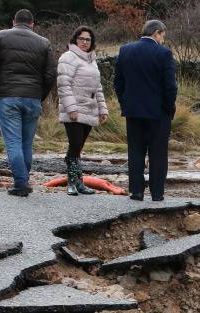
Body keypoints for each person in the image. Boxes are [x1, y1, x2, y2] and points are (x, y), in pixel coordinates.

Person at [0, 9, 57, 197]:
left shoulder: (0, 36)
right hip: (32, 99)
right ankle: (23, 179)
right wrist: (40, 95)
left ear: (13, 21)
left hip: (7, 97)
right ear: (32, 24)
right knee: (26, 142)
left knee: (13, 142)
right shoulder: (44, 42)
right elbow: (50, 74)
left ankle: (21, 183)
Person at [114, 19, 177, 202]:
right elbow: (170, 86)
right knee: (158, 153)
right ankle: (157, 193)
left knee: (135, 151)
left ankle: (136, 191)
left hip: (133, 111)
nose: (163, 40)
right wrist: (169, 107)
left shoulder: (125, 50)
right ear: (156, 32)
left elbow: (118, 82)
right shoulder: (163, 53)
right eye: (163, 36)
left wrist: (125, 102)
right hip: (158, 112)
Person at [57, 26, 109, 196]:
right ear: (75, 39)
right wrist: (71, 108)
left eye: (88, 39)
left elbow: (98, 88)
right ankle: (72, 183)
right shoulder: (68, 57)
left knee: (78, 148)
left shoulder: (91, 60)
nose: (85, 42)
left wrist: (103, 109)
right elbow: (63, 85)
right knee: (75, 145)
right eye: (81, 39)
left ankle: (79, 182)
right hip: (74, 110)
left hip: (90, 109)